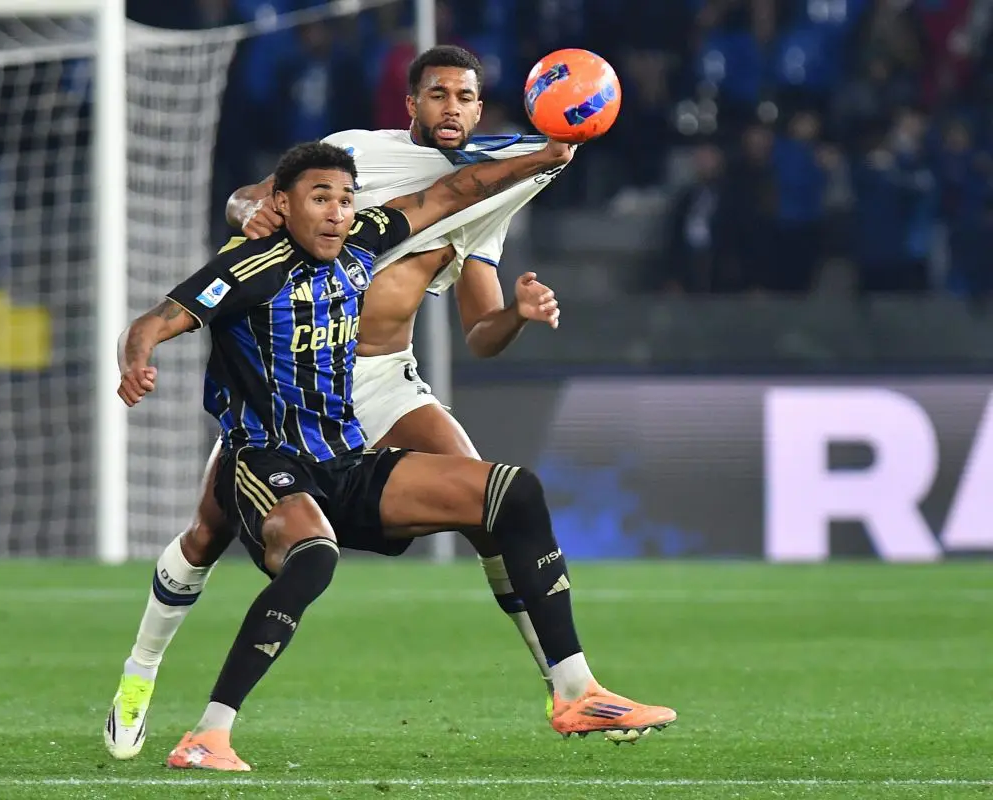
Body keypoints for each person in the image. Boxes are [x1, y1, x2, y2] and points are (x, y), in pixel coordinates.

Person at [105, 46, 672, 761]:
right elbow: (243, 206)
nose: (451, 108)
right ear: (411, 103)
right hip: (284, 388)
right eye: (437, 94)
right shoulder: (350, 158)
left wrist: (518, 308)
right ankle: (142, 672)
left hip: (381, 379)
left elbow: (474, 299)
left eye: (464, 97)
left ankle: (571, 687)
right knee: (206, 537)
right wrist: (251, 212)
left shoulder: (483, 191)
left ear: (482, 106)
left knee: (495, 505)